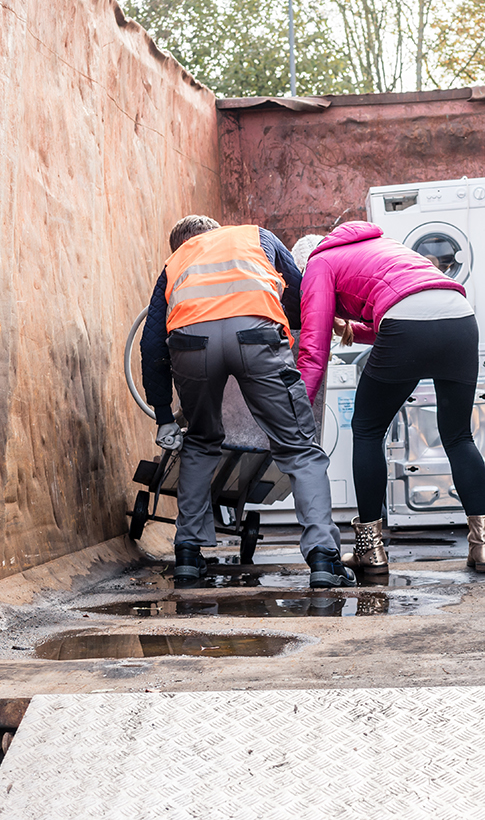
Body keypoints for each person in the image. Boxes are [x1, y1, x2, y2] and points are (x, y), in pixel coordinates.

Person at [139, 216, 355, 588]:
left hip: (192, 345)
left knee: (201, 441)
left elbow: (151, 344)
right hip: (255, 337)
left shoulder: (178, 260)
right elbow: (301, 295)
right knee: (299, 447)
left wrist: (163, 415)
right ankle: (324, 559)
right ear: (219, 228)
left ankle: (188, 555)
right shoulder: (257, 236)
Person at [295, 221, 485, 574]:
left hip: (407, 324)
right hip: (461, 318)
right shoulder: (380, 246)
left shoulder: (317, 263)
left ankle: (370, 551)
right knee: (458, 435)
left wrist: (296, 413)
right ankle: (483, 547)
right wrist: (352, 330)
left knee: (367, 429)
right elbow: (403, 314)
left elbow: (313, 349)